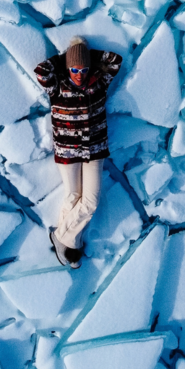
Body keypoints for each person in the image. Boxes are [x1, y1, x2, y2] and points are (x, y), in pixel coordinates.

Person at [34, 36, 122, 269]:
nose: (79, 74)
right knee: (73, 196)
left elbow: (114, 61)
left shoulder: (98, 83)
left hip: (94, 150)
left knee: (90, 201)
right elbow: (42, 71)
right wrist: (68, 56)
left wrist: (85, 54)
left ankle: (63, 237)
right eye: (74, 68)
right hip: (68, 150)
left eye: (83, 69)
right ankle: (71, 242)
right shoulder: (57, 87)